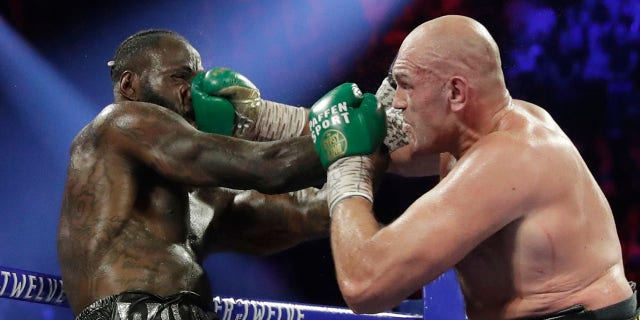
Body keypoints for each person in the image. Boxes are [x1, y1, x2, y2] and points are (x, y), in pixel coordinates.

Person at [310, 15, 639, 319]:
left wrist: (346, 166)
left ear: (455, 92)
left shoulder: (511, 156)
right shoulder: (473, 133)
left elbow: (366, 284)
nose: (396, 101)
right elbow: (369, 144)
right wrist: (265, 117)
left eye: (406, 85)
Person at [57, 29, 332, 320]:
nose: (196, 91)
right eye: (180, 76)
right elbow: (267, 166)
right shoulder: (118, 123)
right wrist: (337, 128)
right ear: (129, 85)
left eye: (198, 78)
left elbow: (315, 211)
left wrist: (378, 138)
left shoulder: (203, 195)